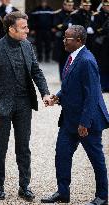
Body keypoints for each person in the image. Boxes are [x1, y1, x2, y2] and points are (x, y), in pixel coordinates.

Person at [0, 11, 51, 201]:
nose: (28, 30)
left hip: (24, 104)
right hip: (1, 104)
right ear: (11, 29)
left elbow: (36, 70)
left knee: (24, 147)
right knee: (0, 147)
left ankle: (24, 186)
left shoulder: (27, 45)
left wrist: (44, 93)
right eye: (24, 27)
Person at [41, 25, 109, 205]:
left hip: (87, 121)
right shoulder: (72, 57)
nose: (63, 40)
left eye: (67, 38)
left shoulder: (87, 61)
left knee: (96, 159)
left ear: (78, 41)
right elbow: (70, 86)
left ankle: (102, 197)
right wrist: (56, 98)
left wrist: (84, 123)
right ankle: (63, 193)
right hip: (69, 119)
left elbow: (92, 94)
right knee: (61, 155)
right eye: (64, 37)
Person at [52, 0, 74, 81]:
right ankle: (63, 77)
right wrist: (67, 25)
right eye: (68, 5)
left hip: (73, 41)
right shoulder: (58, 13)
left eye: (71, 5)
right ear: (64, 5)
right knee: (62, 60)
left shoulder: (75, 13)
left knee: (72, 59)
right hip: (62, 40)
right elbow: (56, 25)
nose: (70, 7)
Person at [91, 0, 109, 92]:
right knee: (102, 65)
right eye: (106, 6)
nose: (108, 7)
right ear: (103, 6)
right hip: (102, 44)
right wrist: (105, 29)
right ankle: (103, 85)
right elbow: (96, 29)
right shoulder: (97, 15)